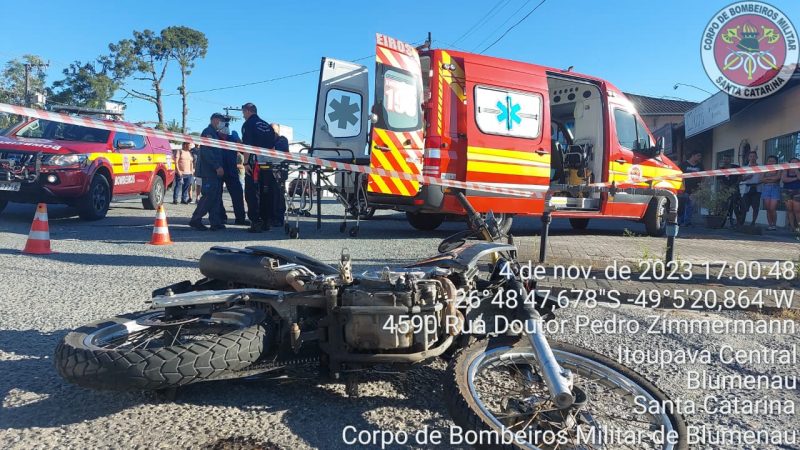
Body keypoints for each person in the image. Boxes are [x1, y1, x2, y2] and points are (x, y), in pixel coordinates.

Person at [240, 102, 277, 233]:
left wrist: (245, 163)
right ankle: (266, 221)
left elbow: (247, 146)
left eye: (243, 112)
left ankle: (255, 222)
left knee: (252, 193)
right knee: (266, 192)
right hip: (267, 163)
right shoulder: (267, 126)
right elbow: (273, 147)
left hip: (253, 163)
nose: (243, 115)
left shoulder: (248, 125)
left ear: (248, 111)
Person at [189, 113, 227, 231]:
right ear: (215, 120)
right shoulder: (208, 133)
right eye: (221, 121)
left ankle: (215, 222)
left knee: (215, 197)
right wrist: (216, 166)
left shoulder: (215, 134)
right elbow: (207, 153)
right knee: (208, 196)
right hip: (209, 171)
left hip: (214, 172)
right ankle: (196, 219)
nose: (222, 123)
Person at [217, 124, 249, 226]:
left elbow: (243, 150)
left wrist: (238, 139)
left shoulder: (232, 138)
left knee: (238, 195)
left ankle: (240, 218)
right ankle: (221, 217)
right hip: (219, 170)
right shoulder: (214, 137)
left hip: (232, 171)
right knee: (217, 195)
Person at [266, 123, 290, 227]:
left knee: (278, 195)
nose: (272, 132)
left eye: (274, 130)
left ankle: (278, 218)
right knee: (269, 195)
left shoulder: (282, 140)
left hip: (279, 172)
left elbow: (278, 151)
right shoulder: (268, 141)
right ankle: (270, 217)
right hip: (269, 171)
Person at [678, 151, 704, 226]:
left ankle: (687, 222)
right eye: (698, 155)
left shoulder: (700, 165)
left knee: (691, 205)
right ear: (693, 155)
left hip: (695, 189)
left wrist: (701, 185)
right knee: (682, 205)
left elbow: (703, 176)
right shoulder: (683, 164)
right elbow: (678, 174)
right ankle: (679, 221)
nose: (700, 157)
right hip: (684, 188)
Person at [739, 151, 762, 227]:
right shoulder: (744, 168)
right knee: (744, 206)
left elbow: (763, 177)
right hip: (747, 188)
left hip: (757, 188)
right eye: (751, 156)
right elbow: (741, 179)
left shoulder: (761, 167)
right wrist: (746, 177)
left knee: (755, 207)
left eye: (754, 156)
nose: (752, 158)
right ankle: (741, 221)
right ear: (748, 158)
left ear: (757, 157)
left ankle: (753, 222)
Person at [718, 154, 741, 227]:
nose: (725, 161)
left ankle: (738, 221)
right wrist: (724, 187)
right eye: (724, 159)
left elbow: (740, 177)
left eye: (727, 159)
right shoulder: (721, 169)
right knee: (724, 205)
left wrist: (736, 185)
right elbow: (720, 180)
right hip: (725, 189)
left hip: (735, 187)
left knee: (735, 204)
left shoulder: (736, 167)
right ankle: (723, 220)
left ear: (730, 160)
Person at [760, 155, 781, 231]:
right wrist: (772, 179)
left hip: (775, 188)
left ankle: (774, 225)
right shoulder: (764, 169)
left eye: (773, 161)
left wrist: (767, 179)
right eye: (769, 161)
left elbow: (777, 178)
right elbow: (761, 179)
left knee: (773, 208)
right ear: (767, 162)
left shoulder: (779, 169)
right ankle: (770, 225)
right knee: (768, 208)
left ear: (776, 162)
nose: (771, 162)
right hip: (766, 189)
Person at [782, 157, 800, 231]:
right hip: (786, 192)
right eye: (792, 163)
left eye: (796, 163)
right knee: (789, 210)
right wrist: (795, 179)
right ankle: (792, 227)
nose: (794, 164)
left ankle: (798, 226)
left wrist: (796, 170)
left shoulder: (798, 170)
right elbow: (784, 180)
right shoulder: (786, 170)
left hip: (797, 191)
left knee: (797, 210)